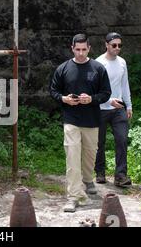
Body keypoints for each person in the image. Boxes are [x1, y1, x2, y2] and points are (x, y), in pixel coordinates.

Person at [50, 34, 111, 213]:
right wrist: (64, 99)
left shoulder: (98, 68)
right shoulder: (63, 68)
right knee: (72, 155)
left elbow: (106, 93)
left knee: (90, 154)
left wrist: (91, 99)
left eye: (84, 49)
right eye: (78, 49)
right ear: (72, 48)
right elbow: (53, 91)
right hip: (71, 120)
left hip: (92, 119)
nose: (81, 53)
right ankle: (74, 196)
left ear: (89, 48)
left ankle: (87, 179)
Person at [94, 32, 133, 187]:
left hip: (119, 109)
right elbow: (95, 89)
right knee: (99, 142)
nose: (117, 48)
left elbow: (125, 85)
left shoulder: (122, 62)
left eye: (120, 45)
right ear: (106, 45)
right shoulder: (98, 63)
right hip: (101, 108)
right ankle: (100, 172)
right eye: (114, 45)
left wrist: (128, 105)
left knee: (122, 139)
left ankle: (120, 176)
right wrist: (109, 101)